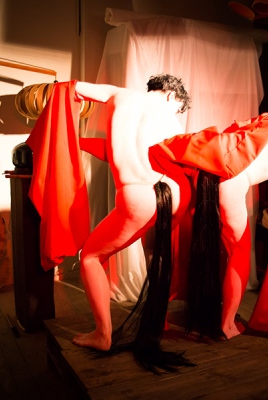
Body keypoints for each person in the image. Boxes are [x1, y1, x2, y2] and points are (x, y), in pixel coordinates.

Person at [148, 93, 268, 341]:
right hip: (232, 182)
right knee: (239, 254)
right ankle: (227, 325)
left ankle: (159, 316)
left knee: (190, 243)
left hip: (210, 172)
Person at [71, 74, 192, 362]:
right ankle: (159, 320)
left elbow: (73, 89)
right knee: (157, 252)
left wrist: (65, 136)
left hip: (139, 195)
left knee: (90, 257)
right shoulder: (169, 119)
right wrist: (80, 143)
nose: (176, 113)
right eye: (179, 108)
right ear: (172, 95)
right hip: (177, 194)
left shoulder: (119, 95)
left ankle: (102, 334)